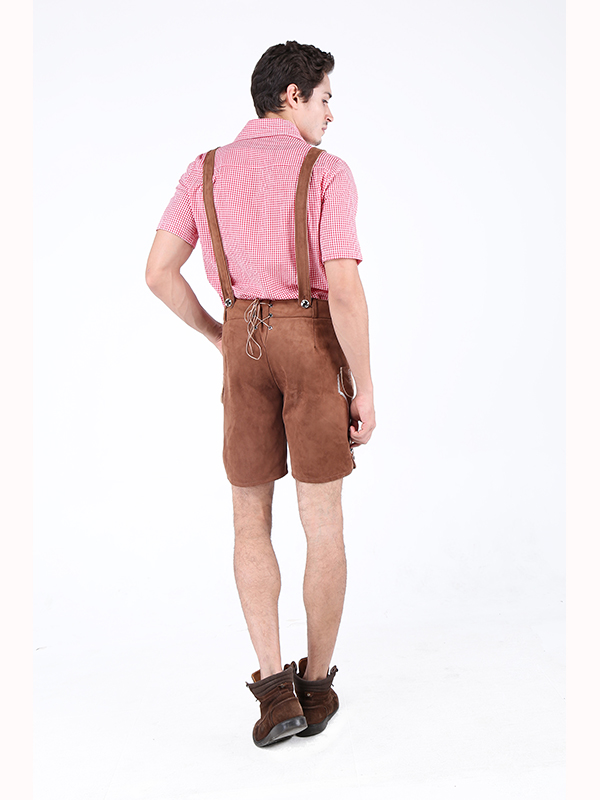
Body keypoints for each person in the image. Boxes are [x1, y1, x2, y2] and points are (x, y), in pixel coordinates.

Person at [145, 40, 375, 747]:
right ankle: (318, 686)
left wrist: (220, 335)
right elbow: (343, 289)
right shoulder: (327, 172)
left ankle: (275, 693)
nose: (331, 114)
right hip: (310, 343)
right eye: (325, 97)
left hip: (242, 341)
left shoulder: (203, 169)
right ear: (291, 96)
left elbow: (158, 272)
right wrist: (365, 387)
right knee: (323, 523)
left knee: (250, 520)